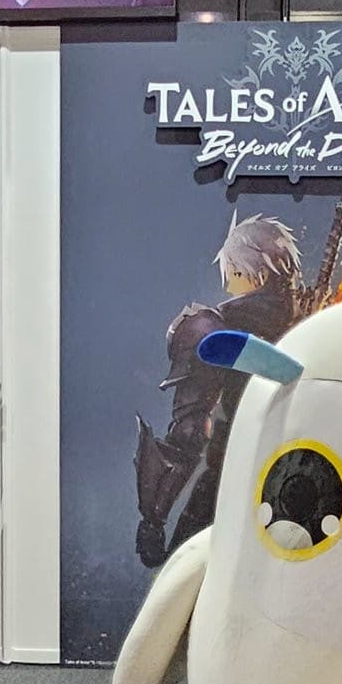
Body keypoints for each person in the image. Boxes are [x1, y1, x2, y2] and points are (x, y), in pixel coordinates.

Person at [135, 214, 301, 567]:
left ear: (252, 272)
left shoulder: (213, 328)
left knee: (191, 579)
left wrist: (153, 517)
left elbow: (188, 434)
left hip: (232, 480)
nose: (228, 288)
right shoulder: (312, 318)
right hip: (299, 481)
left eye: (234, 275)